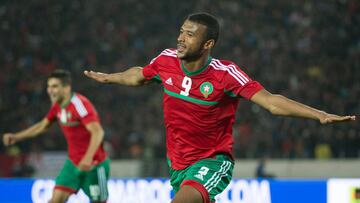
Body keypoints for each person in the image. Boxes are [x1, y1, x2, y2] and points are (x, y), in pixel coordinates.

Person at [84, 12, 356, 203]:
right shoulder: (166, 60)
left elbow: (271, 102)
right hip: (178, 164)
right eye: (181, 31)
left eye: (189, 35)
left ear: (208, 44)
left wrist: (319, 114)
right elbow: (138, 75)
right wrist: (111, 77)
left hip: (213, 162)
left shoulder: (225, 74)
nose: (181, 38)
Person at [2, 69, 109, 203]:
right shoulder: (58, 106)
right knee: (55, 200)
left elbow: (98, 132)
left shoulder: (79, 104)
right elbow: (42, 126)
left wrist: (88, 158)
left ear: (66, 88)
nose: (50, 90)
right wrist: (16, 137)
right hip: (72, 164)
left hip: (95, 165)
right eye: (49, 86)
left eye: (54, 86)